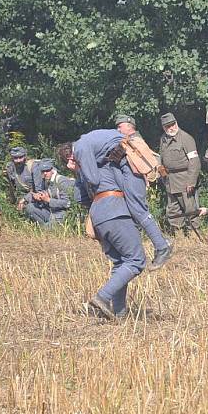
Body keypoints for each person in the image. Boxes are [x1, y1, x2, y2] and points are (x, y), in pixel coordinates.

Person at [57, 131, 146, 320]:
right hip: (115, 210)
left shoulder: (84, 171)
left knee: (120, 263)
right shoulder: (104, 161)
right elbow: (125, 183)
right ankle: (103, 297)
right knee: (136, 260)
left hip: (98, 218)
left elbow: (79, 198)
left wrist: (78, 172)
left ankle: (120, 314)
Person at [159, 112, 202, 233]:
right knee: (173, 212)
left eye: (173, 124)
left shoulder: (186, 138)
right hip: (170, 180)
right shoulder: (163, 139)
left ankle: (195, 237)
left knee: (191, 211)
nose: (171, 128)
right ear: (163, 127)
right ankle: (179, 237)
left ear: (176, 123)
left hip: (185, 180)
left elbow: (194, 162)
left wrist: (191, 182)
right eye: (168, 126)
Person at [23, 160, 74, 228]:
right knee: (30, 207)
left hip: (63, 212)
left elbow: (67, 203)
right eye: (43, 171)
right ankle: (43, 227)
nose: (45, 173)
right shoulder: (45, 181)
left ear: (52, 170)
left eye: (47, 171)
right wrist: (40, 198)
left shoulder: (61, 181)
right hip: (51, 211)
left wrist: (48, 200)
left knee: (47, 229)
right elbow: (44, 197)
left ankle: (45, 229)